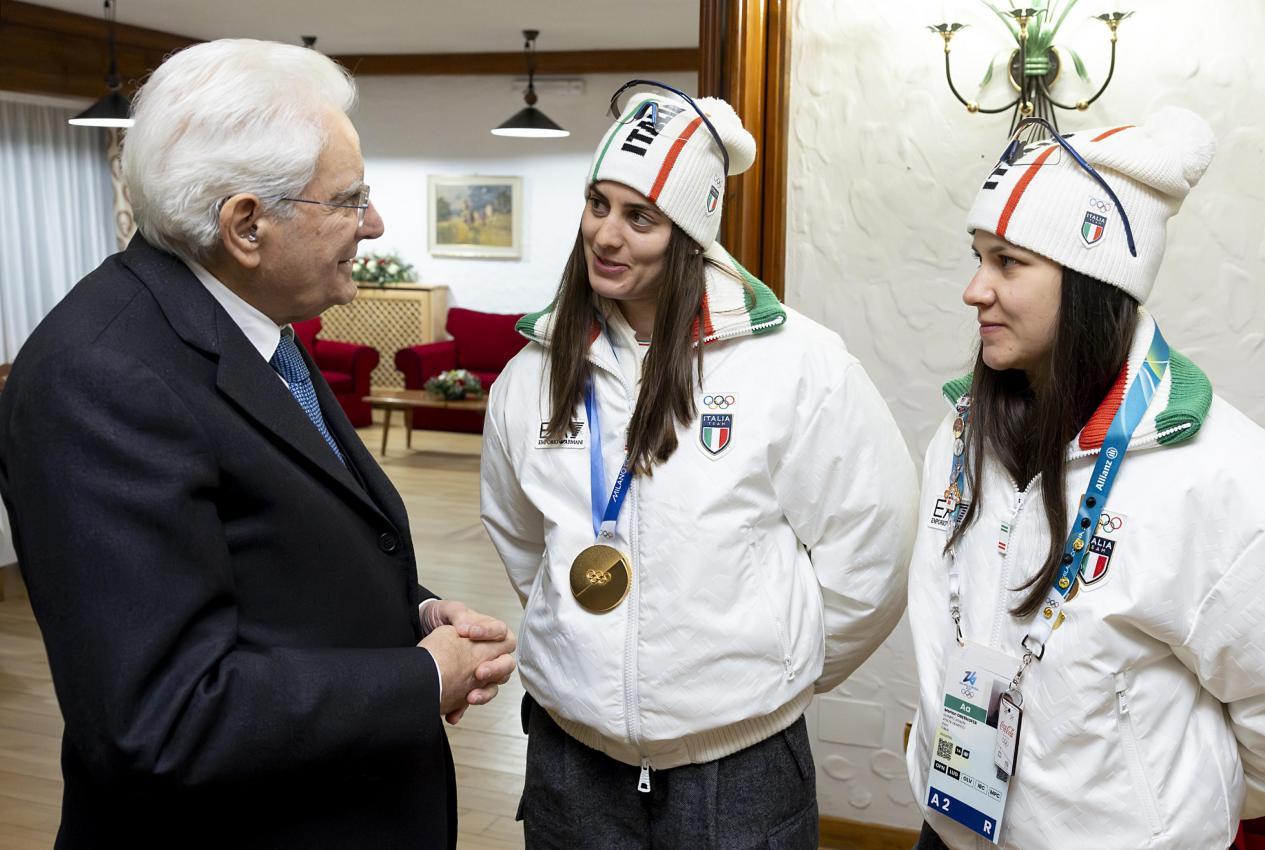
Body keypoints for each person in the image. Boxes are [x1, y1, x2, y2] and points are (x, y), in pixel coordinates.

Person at [0, 39, 515, 849]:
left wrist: (410, 615)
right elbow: (162, 717)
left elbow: (268, 565)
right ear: (246, 225)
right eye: (349, 199)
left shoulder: (247, 322)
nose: (373, 225)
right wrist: (421, 676)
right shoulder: (100, 377)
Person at [480, 82, 918, 849]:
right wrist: (589, 650)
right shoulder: (532, 373)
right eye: (597, 203)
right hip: (569, 759)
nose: (605, 236)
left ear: (689, 233)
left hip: (740, 766)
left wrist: (780, 668)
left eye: (639, 216)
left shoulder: (793, 363)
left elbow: (872, 542)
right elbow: (523, 541)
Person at [905, 108, 1265, 849]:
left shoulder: (1215, 471)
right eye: (977, 256)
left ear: (1092, 277)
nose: (974, 289)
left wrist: (1166, 812)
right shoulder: (956, 436)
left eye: (1007, 262)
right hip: (949, 828)